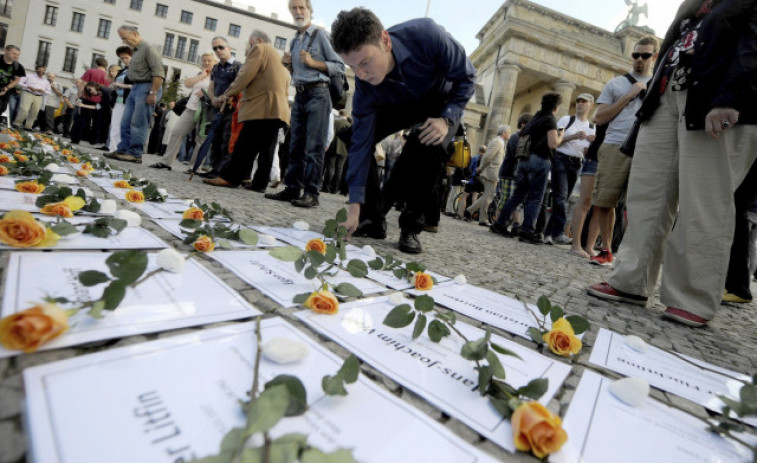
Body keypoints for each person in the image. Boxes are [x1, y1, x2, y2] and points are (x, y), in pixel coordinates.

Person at [587, 0, 757, 327]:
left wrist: (732, 95)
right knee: (647, 192)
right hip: (667, 95)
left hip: (718, 92)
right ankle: (630, 281)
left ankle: (691, 296)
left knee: (703, 199)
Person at [330, 7, 476, 253]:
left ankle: (411, 226)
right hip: (399, 103)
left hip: (439, 101)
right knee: (354, 136)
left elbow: (467, 77)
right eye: (352, 67)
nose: (361, 74)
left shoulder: (428, 35)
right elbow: (361, 145)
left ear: (385, 41)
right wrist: (354, 208)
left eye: (365, 62)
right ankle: (372, 217)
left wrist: (447, 119)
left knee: (430, 141)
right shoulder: (365, 84)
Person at [264, 0, 345, 209]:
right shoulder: (295, 41)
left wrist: (313, 63)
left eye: (302, 8)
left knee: (314, 146)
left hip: (319, 93)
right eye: (294, 8)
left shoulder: (321, 35)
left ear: (310, 10)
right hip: (300, 94)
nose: (298, 12)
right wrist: (289, 66)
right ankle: (292, 188)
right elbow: (298, 74)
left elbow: (339, 66)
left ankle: (311, 193)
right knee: (295, 145)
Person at [587, 36, 659, 266]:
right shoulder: (616, 84)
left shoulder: (661, 84)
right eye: (636, 55)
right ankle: (606, 250)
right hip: (615, 144)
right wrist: (628, 97)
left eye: (645, 55)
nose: (639, 59)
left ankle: (630, 257)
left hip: (647, 148)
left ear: (655, 57)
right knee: (605, 200)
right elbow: (598, 118)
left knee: (638, 206)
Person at [202, 30, 290, 191]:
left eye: (248, 45)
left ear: (256, 41)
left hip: (261, 107)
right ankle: (259, 184)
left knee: (244, 144)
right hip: (278, 109)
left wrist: (227, 94)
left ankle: (230, 178)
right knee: (266, 149)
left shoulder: (259, 49)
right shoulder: (277, 59)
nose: (247, 49)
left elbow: (244, 75)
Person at [490, 92, 564, 244]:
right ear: (556, 107)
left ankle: (499, 223)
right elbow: (553, 144)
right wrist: (561, 135)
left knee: (518, 195)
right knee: (535, 198)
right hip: (540, 160)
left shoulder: (534, 118)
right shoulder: (550, 119)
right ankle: (527, 231)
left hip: (523, 161)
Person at [543, 94, 596, 245]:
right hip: (561, 159)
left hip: (577, 162)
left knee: (563, 199)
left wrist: (591, 148)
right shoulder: (566, 120)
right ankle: (559, 233)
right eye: (578, 101)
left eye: (584, 101)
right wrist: (573, 136)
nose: (580, 104)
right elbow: (556, 142)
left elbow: (590, 151)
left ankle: (548, 234)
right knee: (560, 198)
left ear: (591, 105)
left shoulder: (592, 127)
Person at [106, 25, 164, 163]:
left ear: (135, 34)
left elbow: (159, 73)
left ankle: (135, 153)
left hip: (146, 87)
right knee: (125, 121)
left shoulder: (149, 48)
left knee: (139, 122)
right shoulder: (137, 50)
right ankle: (123, 149)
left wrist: (153, 92)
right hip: (135, 87)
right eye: (122, 39)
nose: (124, 41)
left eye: (125, 38)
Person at [150, 52, 216, 170]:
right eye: (204, 60)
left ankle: (194, 167)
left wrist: (205, 92)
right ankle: (166, 162)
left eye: (209, 61)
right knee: (176, 131)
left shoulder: (217, 76)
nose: (206, 63)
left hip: (206, 110)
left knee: (200, 139)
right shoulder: (200, 73)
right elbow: (187, 84)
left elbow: (219, 92)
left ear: (215, 62)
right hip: (191, 108)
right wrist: (202, 76)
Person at [467, 125, 509, 227]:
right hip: (492, 173)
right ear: (503, 133)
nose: (509, 134)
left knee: (487, 196)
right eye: (508, 132)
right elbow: (488, 156)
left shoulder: (499, 141)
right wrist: (481, 167)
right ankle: (482, 219)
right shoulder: (498, 142)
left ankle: (470, 210)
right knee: (488, 196)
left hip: (492, 172)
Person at [108, 46, 133, 152]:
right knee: (115, 126)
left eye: (126, 57)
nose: (124, 60)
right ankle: (113, 149)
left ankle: (121, 149)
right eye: (122, 58)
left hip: (129, 101)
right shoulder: (122, 71)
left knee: (125, 127)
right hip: (119, 100)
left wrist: (121, 85)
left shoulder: (137, 71)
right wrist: (114, 86)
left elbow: (136, 86)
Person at [13, 65, 51, 130]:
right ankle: (17, 123)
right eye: (40, 70)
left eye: (43, 70)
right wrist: (28, 86)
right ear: (36, 70)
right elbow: (19, 82)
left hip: (39, 96)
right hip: (28, 93)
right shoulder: (28, 76)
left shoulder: (46, 81)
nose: (42, 71)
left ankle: (28, 126)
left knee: (35, 112)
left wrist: (43, 91)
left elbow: (49, 92)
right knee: (24, 109)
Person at [323, 110, 352, 193]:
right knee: (340, 169)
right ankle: (335, 188)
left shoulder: (334, 122)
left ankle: (326, 186)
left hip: (332, 147)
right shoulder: (349, 125)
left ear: (339, 114)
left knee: (330, 168)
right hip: (344, 150)